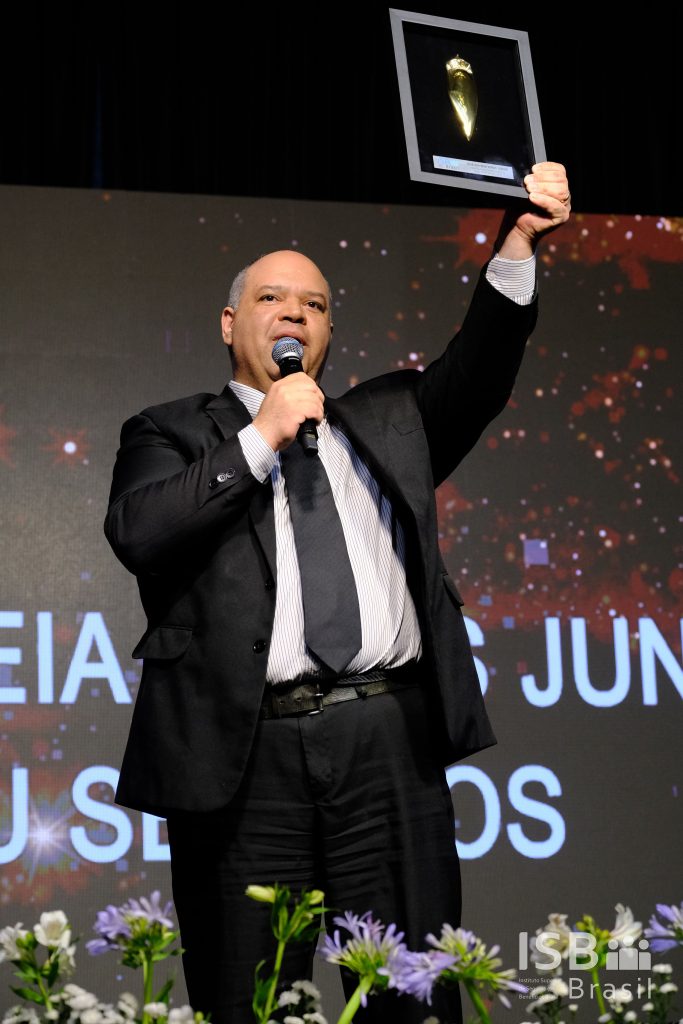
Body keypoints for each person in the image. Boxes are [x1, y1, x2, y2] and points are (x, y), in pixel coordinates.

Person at [105, 162, 571, 1024]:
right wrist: (261, 435)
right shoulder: (169, 432)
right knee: (249, 1000)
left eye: (314, 304)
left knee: (411, 993)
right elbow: (140, 532)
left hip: (385, 741)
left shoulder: (390, 417)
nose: (294, 314)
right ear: (230, 322)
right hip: (245, 760)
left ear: (326, 330)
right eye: (272, 298)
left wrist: (515, 243)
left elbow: (481, 368)